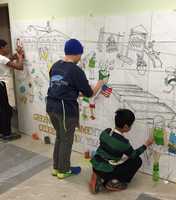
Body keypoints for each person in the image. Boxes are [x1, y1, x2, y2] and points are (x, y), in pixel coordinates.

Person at [46, 38, 107, 179]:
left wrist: (74, 92)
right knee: (66, 140)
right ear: (77, 53)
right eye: (80, 54)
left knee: (60, 138)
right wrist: (100, 82)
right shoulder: (75, 70)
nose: (80, 58)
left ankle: (57, 168)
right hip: (65, 110)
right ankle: (63, 170)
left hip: (51, 106)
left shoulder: (55, 65)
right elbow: (89, 93)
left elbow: (60, 86)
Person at [89, 109, 154, 193]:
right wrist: (146, 144)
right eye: (131, 125)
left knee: (109, 158)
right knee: (137, 161)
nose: (131, 127)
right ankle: (112, 183)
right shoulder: (123, 143)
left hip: (95, 165)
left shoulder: (106, 131)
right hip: (107, 171)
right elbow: (133, 155)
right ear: (126, 127)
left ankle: (96, 175)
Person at [0, 39, 24, 141]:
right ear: (1, 48)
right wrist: (20, 58)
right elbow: (20, 67)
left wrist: (17, 54)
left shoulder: (2, 58)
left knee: (2, 109)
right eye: (6, 47)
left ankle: (2, 132)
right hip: (3, 86)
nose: (7, 49)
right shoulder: (2, 59)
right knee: (7, 110)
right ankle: (7, 134)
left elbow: (8, 59)